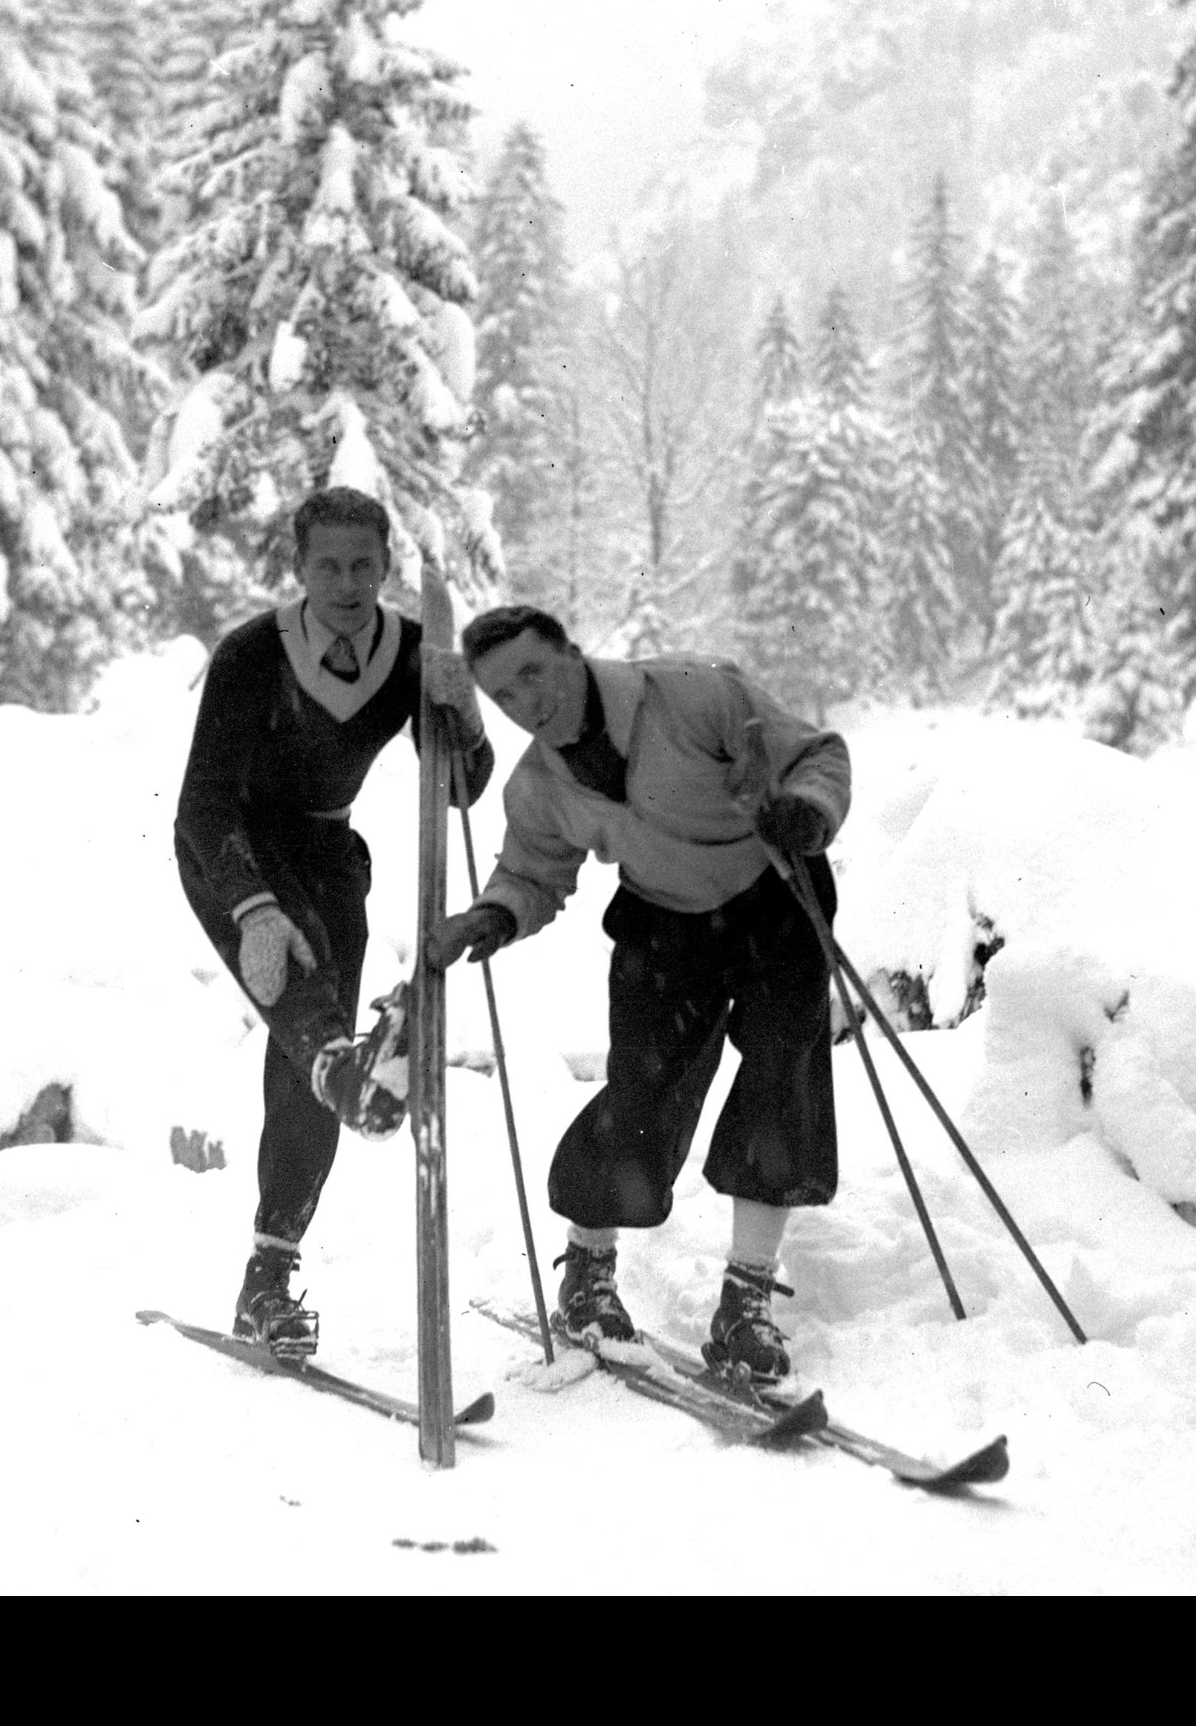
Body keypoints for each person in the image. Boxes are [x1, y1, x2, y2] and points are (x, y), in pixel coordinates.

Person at [425, 605, 847, 1385]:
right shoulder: (539, 785)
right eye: (503, 695)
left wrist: (808, 812)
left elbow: (816, 755)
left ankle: (745, 1305)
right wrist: (490, 916)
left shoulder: (692, 695)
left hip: (773, 898)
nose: (526, 702)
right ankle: (586, 1278)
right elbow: (532, 873)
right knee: (642, 1090)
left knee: (780, 1079)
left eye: (533, 673)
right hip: (663, 922)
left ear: (572, 654)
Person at [175, 488, 494, 1356]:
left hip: (324, 852)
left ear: (385, 565)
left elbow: (460, 789)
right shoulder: (252, 653)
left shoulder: (407, 653)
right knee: (306, 1015)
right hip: (229, 851)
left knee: (316, 1059)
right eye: (328, 565)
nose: (347, 582)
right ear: (299, 568)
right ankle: (340, 1073)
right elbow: (203, 802)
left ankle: (269, 1276)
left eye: (363, 564)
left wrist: (459, 714)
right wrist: (253, 908)